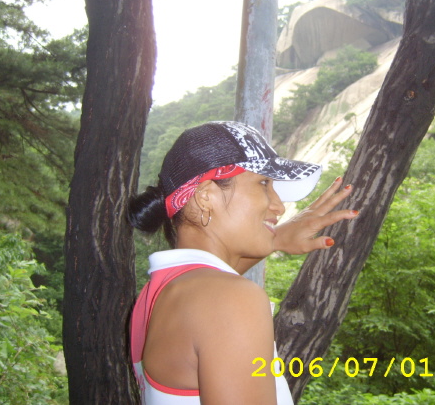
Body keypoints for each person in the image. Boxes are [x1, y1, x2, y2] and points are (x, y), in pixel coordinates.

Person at [128, 121, 358, 404]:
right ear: (205, 196)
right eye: (264, 183)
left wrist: (275, 238)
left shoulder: (157, 294)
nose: (279, 206)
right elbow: (221, 297)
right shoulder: (230, 300)